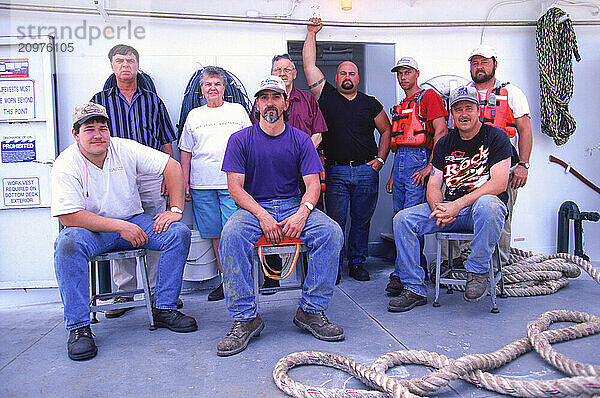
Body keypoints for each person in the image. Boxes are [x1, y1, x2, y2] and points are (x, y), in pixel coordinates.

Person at [52, 103, 197, 361]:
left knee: (178, 233)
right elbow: (68, 216)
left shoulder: (124, 148)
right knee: (67, 244)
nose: (97, 134)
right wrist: (121, 226)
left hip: (133, 220)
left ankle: (164, 307)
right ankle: (78, 328)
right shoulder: (66, 163)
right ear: (76, 134)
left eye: (102, 128)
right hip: (90, 231)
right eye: (89, 129)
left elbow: (172, 166)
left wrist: (175, 209)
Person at [216, 76, 344, 357]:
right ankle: (246, 318)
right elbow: (235, 189)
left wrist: (302, 213)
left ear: (286, 103)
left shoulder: (300, 139)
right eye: (264, 98)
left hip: (292, 205)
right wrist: (262, 215)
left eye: (275, 97)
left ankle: (311, 311)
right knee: (231, 236)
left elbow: (312, 185)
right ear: (256, 105)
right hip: (252, 207)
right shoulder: (240, 140)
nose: (270, 103)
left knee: (331, 232)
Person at [388, 86, 511, 312]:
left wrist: (456, 205)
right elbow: (434, 183)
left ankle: (477, 271)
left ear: (478, 110)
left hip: (478, 213)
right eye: (458, 109)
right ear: (451, 114)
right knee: (403, 219)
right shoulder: (445, 142)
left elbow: (499, 184)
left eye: (469, 108)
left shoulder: (497, 138)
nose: (463, 114)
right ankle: (413, 287)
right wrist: (439, 208)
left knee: (489, 204)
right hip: (451, 210)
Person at [91, 44, 181, 317]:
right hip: (116, 173)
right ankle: (123, 293)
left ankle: (157, 291)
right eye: (120, 61)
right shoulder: (100, 100)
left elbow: (166, 140)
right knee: (121, 224)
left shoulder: (152, 100)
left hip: (151, 174)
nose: (125, 65)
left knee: (157, 228)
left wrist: (168, 175)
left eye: (130, 60)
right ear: (112, 66)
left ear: (137, 66)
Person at [302, 17, 391, 282]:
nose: (347, 77)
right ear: (336, 77)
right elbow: (308, 65)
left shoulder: (370, 103)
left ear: (357, 77)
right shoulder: (325, 95)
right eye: (343, 73)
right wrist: (310, 34)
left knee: (362, 221)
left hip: (366, 170)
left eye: (352, 73)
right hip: (336, 171)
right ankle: (335, 266)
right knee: (335, 222)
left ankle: (357, 263)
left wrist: (380, 160)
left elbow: (387, 130)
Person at [251, 54, 329, 291]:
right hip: (274, 170)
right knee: (269, 220)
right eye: (278, 69)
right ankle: (272, 275)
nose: (283, 73)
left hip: (306, 171)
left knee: (313, 223)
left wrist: (300, 153)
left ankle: (311, 278)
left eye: (287, 69)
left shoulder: (307, 99)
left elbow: (318, 132)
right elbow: (258, 131)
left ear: (294, 73)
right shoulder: (263, 103)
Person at [179, 66, 251, 302]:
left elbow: (251, 145)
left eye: (217, 84)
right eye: (208, 84)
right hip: (202, 184)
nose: (212, 88)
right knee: (215, 234)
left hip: (232, 183)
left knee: (235, 231)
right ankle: (226, 279)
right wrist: (185, 183)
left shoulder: (238, 111)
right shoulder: (194, 116)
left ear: (224, 88)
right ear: (202, 90)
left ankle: (242, 280)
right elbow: (186, 152)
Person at [385, 57, 448, 295]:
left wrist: (431, 166)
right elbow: (398, 144)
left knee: (411, 220)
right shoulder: (402, 104)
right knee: (399, 220)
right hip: (401, 162)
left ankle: (404, 276)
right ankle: (409, 270)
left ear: (417, 74)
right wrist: (392, 174)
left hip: (420, 160)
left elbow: (441, 131)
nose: (403, 77)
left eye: (407, 72)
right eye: (400, 73)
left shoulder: (428, 97)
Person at [467, 45, 533, 266]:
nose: (479, 67)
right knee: (463, 214)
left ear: (495, 64)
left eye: (484, 62)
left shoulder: (512, 93)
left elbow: (525, 130)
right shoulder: (463, 94)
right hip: (468, 169)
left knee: (501, 216)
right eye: (475, 63)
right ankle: (462, 264)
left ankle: (499, 265)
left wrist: (523, 165)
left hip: (505, 168)